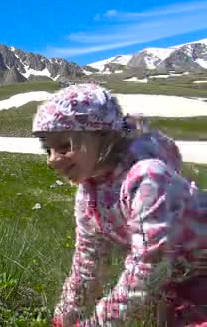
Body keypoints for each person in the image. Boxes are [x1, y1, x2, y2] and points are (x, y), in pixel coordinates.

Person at [31, 83, 207, 326]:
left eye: (64, 146)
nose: (52, 160)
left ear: (103, 136)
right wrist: (62, 319)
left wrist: (97, 323)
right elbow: (87, 265)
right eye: (47, 149)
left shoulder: (147, 177)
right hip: (179, 282)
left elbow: (148, 269)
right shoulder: (89, 191)